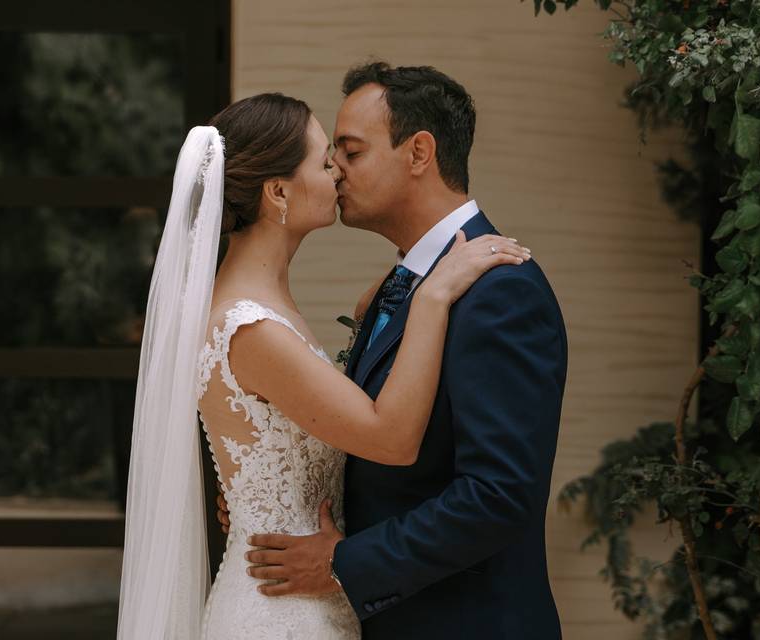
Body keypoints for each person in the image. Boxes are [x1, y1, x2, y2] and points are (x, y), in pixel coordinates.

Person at [115, 89, 530, 639]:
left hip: (302, 594)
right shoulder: (252, 326)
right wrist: (431, 299)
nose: (336, 169)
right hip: (282, 610)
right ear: (279, 191)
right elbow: (391, 438)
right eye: (323, 157)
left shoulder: (264, 306)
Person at [222, 62, 569, 639]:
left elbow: (501, 496)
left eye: (352, 153)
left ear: (419, 153)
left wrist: (344, 564)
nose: (334, 169)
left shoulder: (499, 291)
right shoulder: (406, 283)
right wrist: (267, 500)